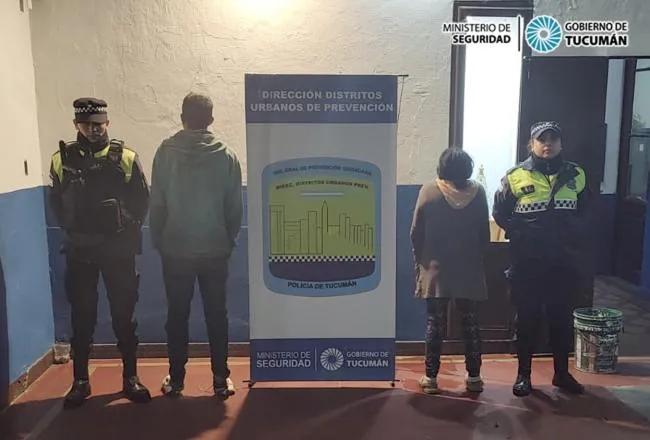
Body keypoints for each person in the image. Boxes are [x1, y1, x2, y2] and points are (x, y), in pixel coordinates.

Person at [49, 98, 152, 409]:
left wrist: (123, 229)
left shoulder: (126, 157)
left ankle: (130, 378)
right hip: (80, 252)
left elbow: (142, 202)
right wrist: (76, 230)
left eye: (98, 124)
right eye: (86, 124)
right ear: (76, 125)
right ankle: (80, 381)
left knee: (124, 317)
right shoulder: (61, 159)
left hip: (117, 251)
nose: (93, 130)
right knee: (82, 318)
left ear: (107, 123)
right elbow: (57, 203)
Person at [150, 92, 243, 399]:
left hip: (176, 251)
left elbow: (157, 204)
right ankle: (220, 379)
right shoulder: (227, 156)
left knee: (177, 316)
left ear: (182, 118)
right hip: (215, 250)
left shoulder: (165, 153)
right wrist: (227, 241)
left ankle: (176, 379)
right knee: (217, 316)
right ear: (211, 120)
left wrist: (161, 241)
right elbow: (234, 209)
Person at [493, 121, 589, 397]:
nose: (548, 144)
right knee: (527, 320)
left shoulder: (576, 174)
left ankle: (561, 373)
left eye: (553, 139)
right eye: (542, 139)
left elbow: (587, 211)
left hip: (563, 263)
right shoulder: (515, 176)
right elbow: (500, 212)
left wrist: (573, 236)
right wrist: (521, 234)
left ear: (561, 144)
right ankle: (523, 375)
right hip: (528, 264)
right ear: (531, 144)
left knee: (561, 319)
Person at [410, 148, 490, 394]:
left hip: (436, 269)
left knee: (435, 323)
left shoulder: (428, 191)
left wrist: (422, 260)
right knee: (470, 323)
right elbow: (484, 235)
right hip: (469, 267)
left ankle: (431, 378)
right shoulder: (478, 193)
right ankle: (474, 377)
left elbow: (416, 233)